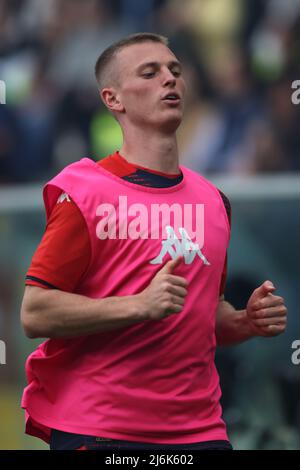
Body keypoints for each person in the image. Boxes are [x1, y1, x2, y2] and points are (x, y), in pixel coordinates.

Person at [20, 33, 288, 451]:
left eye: (175, 71)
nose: (171, 80)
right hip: (102, 429)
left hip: (202, 430)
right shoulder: (84, 191)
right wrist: (139, 305)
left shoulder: (215, 201)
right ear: (113, 99)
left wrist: (245, 323)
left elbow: (203, 314)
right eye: (151, 72)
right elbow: (35, 312)